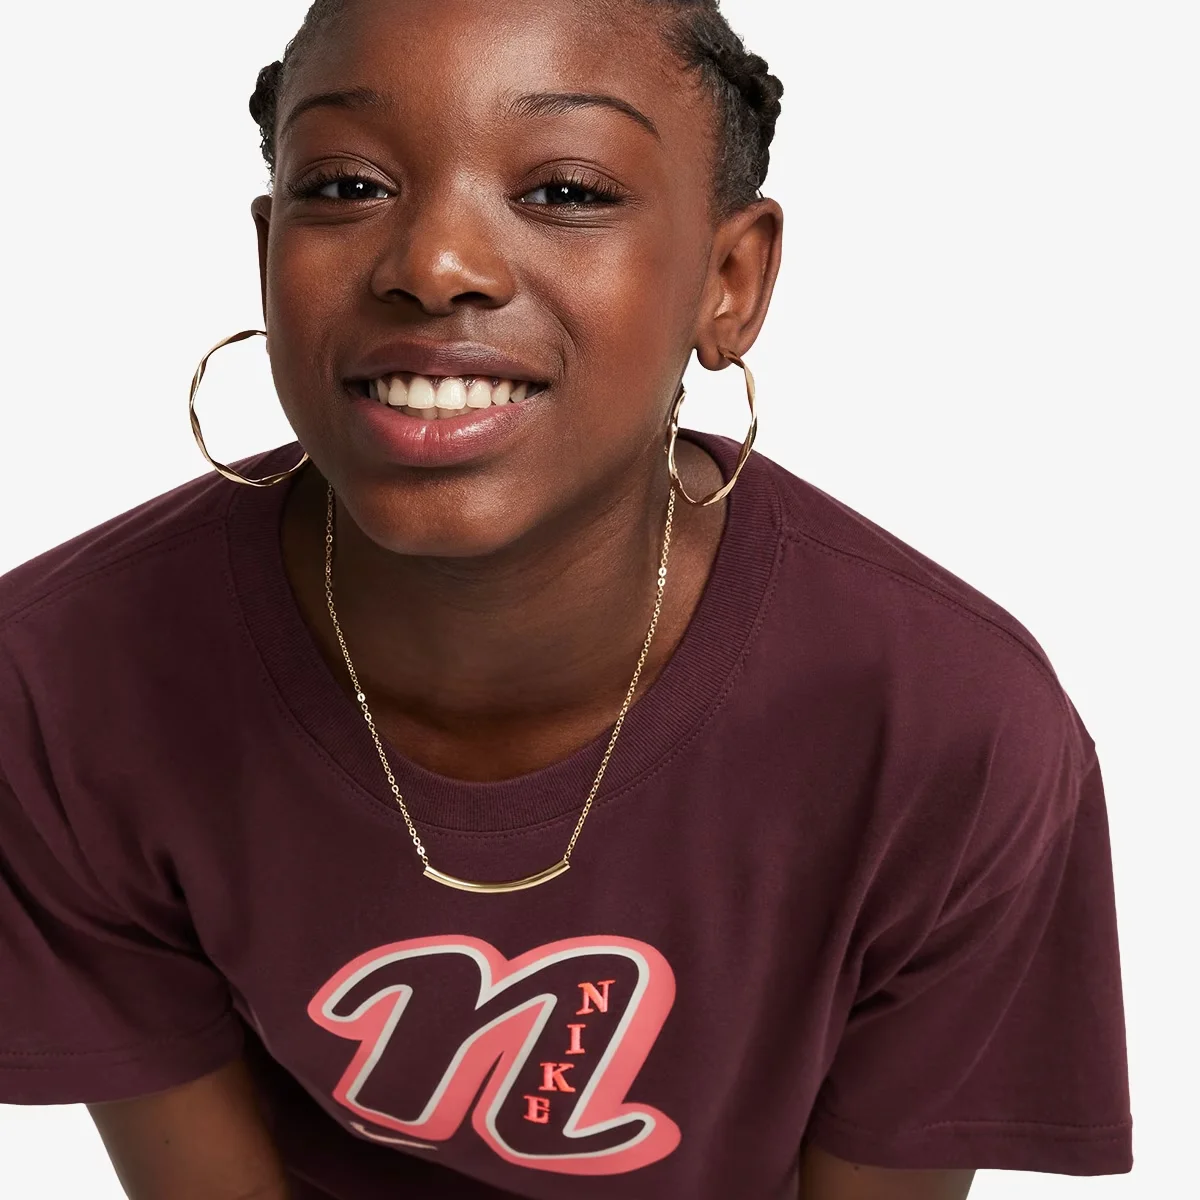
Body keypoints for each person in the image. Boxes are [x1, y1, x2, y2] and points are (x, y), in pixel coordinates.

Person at [0, 1, 1132, 1197]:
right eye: (345, 185)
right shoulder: (65, 685)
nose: (434, 266)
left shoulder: (947, 732)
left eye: (566, 192)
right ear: (268, 251)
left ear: (729, 279)